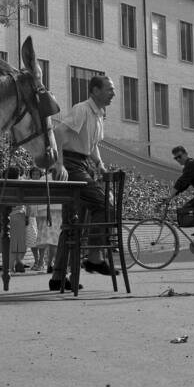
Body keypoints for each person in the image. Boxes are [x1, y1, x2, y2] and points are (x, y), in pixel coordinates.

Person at [49, 75, 118, 291]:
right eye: (109, 89)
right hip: (71, 164)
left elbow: (92, 144)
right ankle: (95, 257)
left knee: (72, 223)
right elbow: (58, 133)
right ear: (95, 90)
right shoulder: (82, 109)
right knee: (104, 204)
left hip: (82, 163)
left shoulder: (99, 114)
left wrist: (100, 164)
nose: (113, 93)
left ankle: (58, 277)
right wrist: (59, 164)